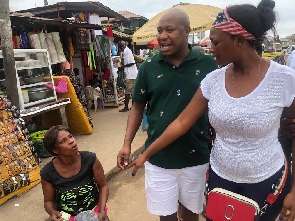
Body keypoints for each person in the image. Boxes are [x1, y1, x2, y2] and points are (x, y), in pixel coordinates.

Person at [126, 1, 295, 221]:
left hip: (266, 183)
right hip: (221, 181)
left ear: (240, 40)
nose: (210, 48)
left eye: (215, 42)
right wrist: (145, 154)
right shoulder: (213, 81)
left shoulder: (284, 79)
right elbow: (181, 123)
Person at [117, 8, 218, 221]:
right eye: (160, 30)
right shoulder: (148, 67)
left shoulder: (208, 65)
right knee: (167, 217)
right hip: (158, 159)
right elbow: (137, 107)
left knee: (192, 213)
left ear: (186, 31)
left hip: (197, 156)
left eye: (169, 30)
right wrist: (127, 144)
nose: (162, 36)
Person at [40, 125, 109, 221]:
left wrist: (102, 210)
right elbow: (48, 200)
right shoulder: (47, 173)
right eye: (63, 141)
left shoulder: (90, 159)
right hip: (68, 217)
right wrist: (53, 212)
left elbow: (103, 185)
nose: (71, 141)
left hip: (95, 211)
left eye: (70, 136)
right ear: (55, 150)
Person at [118, 41, 138, 112]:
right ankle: (132, 107)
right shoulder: (126, 52)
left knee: (127, 92)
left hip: (130, 75)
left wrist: (123, 66)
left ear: (121, 47)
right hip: (132, 75)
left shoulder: (127, 52)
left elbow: (132, 62)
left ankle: (126, 107)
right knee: (132, 92)